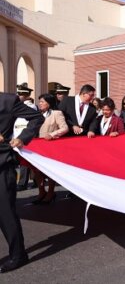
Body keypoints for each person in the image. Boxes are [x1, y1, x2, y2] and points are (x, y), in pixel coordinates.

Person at [0, 92, 44, 272]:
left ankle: (18, 255)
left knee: (5, 214)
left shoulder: (7, 101)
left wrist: (21, 138)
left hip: (2, 165)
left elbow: (36, 117)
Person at [31, 93, 68, 205]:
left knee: (51, 170)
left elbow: (65, 128)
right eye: (40, 101)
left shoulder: (56, 113)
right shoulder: (36, 114)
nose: (40, 104)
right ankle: (41, 192)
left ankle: (51, 192)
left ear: (49, 103)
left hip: (51, 146)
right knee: (36, 170)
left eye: (42, 101)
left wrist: (52, 134)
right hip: (37, 146)